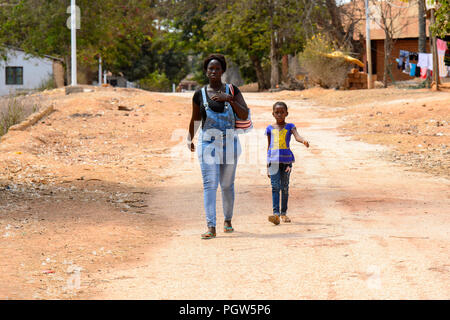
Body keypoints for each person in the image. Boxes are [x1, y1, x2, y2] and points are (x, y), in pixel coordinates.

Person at [187, 54, 249, 239]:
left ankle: (227, 220)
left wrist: (229, 99)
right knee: (209, 184)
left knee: (227, 185)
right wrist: (190, 137)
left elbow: (244, 114)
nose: (213, 72)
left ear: (222, 71)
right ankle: (211, 226)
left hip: (229, 143)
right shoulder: (199, 94)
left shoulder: (233, 90)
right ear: (206, 72)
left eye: (217, 69)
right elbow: (196, 118)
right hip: (207, 143)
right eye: (210, 69)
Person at [265, 101, 309, 225]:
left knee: (284, 187)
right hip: (272, 162)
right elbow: (268, 147)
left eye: (282, 112)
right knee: (275, 187)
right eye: (277, 112)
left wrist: (303, 141)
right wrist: (267, 165)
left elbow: (297, 137)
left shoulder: (290, 126)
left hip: (286, 162)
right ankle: (276, 214)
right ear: (273, 114)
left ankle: (284, 213)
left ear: (286, 113)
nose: (279, 114)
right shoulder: (269, 128)